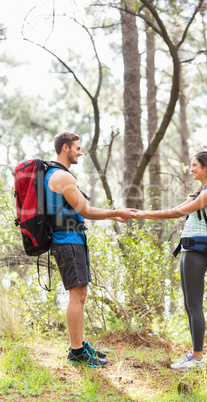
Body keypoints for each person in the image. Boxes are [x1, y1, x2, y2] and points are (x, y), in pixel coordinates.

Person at [44, 130, 137, 368]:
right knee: (77, 295)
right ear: (65, 147)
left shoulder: (58, 174)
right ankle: (76, 352)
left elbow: (80, 209)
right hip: (67, 241)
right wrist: (118, 212)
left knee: (81, 295)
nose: (80, 151)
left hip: (72, 239)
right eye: (77, 147)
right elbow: (85, 211)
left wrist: (114, 216)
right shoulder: (62, 177)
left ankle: (79, 345)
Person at [136, 151, 207, 370]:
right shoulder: (200, 191)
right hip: (188, 248)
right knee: (188, 304)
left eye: (194, 165)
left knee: (194, 304)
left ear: (206, 167)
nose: (191, 169)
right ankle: (195, 354)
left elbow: (175, 213)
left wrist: (142, 215)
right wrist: (142, 212)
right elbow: (174, 209)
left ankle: (198, 358)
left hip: (197, 250)